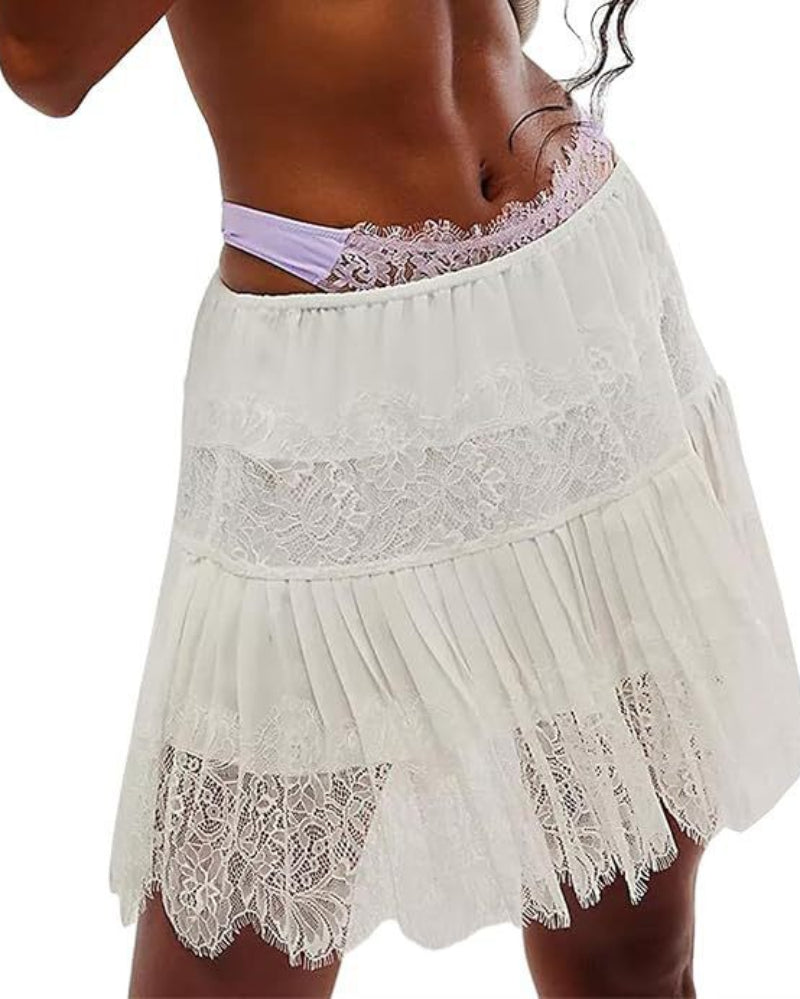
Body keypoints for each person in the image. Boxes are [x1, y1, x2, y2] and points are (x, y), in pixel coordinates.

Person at [2, 2, 798, 997]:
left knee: (634, 944)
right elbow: (41, 57)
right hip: (331, 367)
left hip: (574, 294)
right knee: (227, 960)